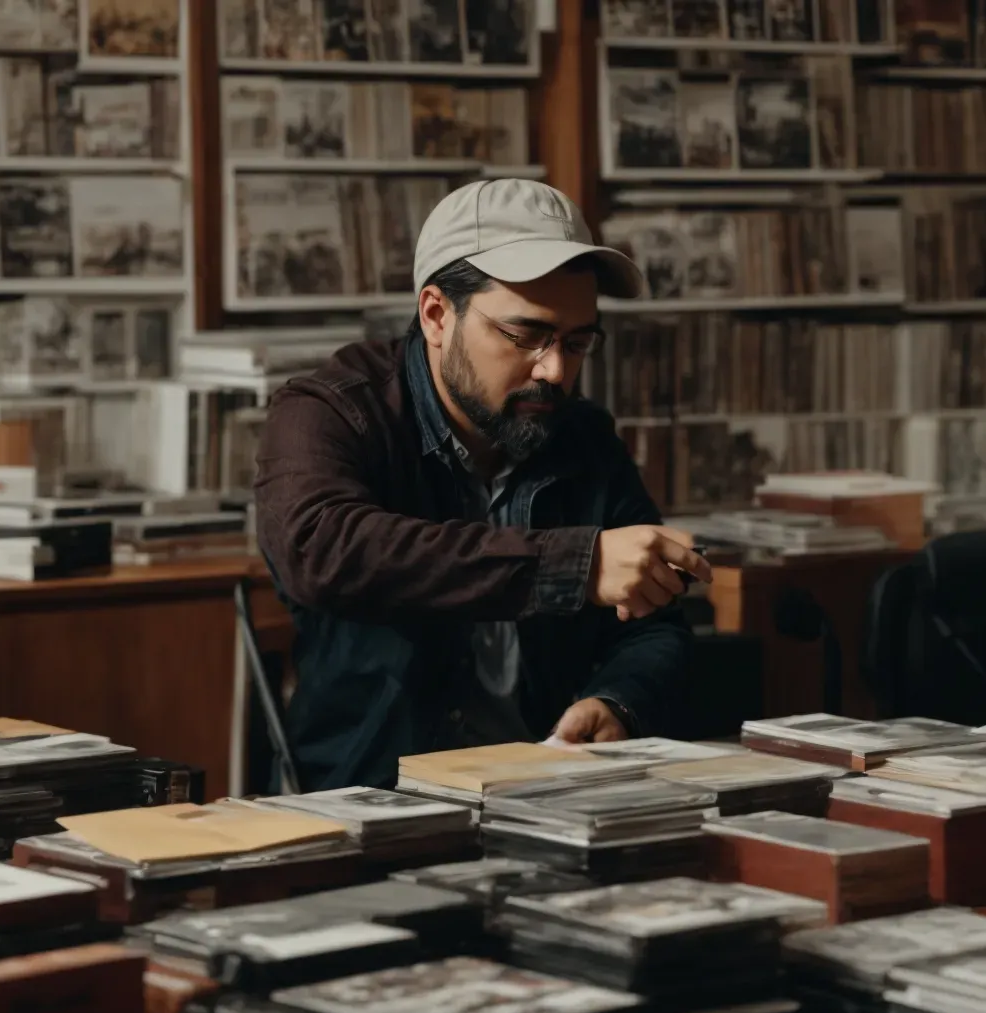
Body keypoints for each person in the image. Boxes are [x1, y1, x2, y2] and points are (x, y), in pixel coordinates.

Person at [254, 179, 712, 790]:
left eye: (577, 343)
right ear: (437, 315)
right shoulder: (333, 412)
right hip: (369, 803)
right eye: (525, 336)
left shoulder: (580, 436)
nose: (554, 371)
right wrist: (571, 565)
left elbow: (657, 626)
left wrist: (619, 703)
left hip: (546, 797)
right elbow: (322, 549)